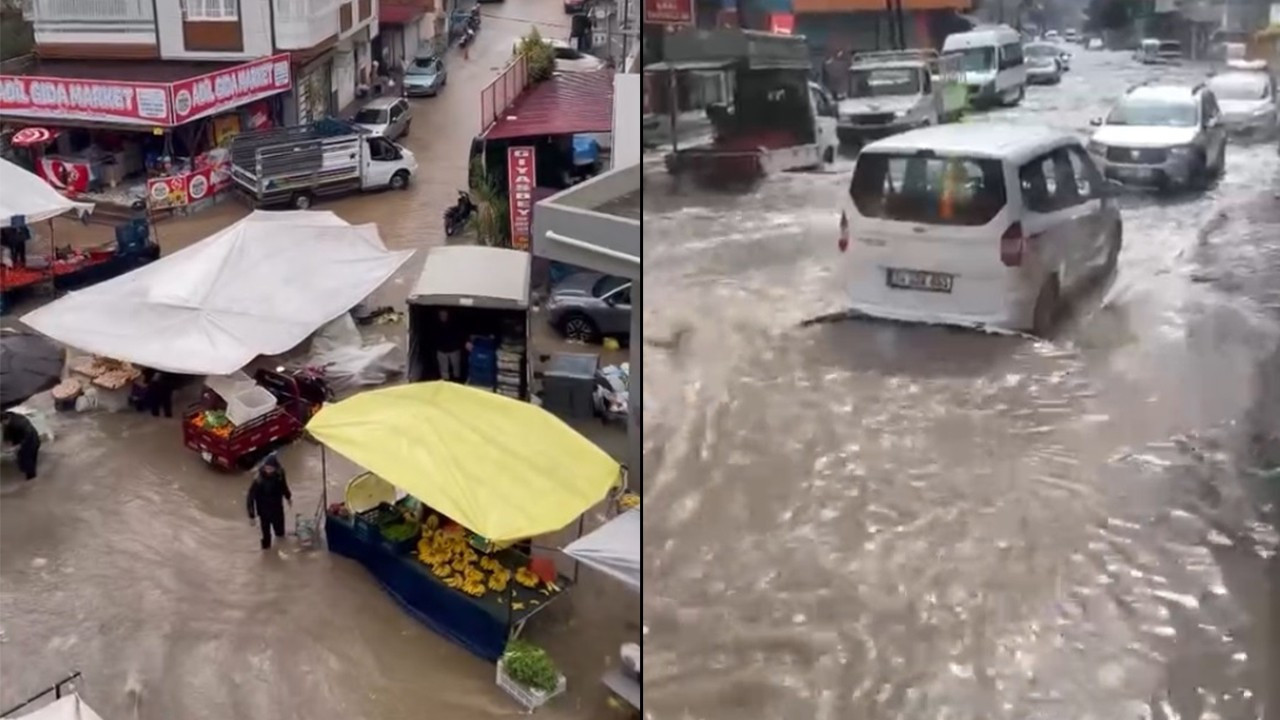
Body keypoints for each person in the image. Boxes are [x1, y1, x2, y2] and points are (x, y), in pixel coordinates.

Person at [246, 453, 292, 550]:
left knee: (280, 533)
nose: (268, 471)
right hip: (264, 512)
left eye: (271, 469)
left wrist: (288, 497)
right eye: (267, 468)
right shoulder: (258, 480)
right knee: (266, 538)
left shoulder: (280, 474)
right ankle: (266, 554)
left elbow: (284, 486)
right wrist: (251, 515)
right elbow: (250, 497)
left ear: (275, 468)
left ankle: (281, 549)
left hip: (277, 509)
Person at [2, 411, 41, 480]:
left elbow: (29, 435)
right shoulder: (8, 421)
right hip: (21, 440)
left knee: (29, 461)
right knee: (22, 460)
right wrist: (6, 445)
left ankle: (31, 480)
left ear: (5, 420)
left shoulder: (20, 423)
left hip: (31, 441)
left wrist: (17, 446)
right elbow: (7, 435)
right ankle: (27, 473)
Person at [436, 309, 466, 381]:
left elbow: (460, 335)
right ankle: (445, 384)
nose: (443, 316)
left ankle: (457, 382)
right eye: (441, 315)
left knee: (456, 370)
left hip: (454, 349)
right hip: (441, 350)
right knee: (444, 371)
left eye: (445, 315)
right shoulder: (436, 325)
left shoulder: (455, 324)